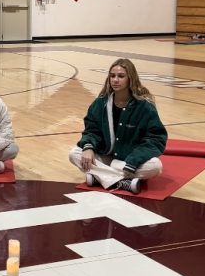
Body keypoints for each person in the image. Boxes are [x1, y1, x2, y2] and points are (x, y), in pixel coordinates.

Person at [69, 58, 166, 193]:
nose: (115, 80)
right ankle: (124, 181)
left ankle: (99, 176)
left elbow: (156, 139)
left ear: (130, 78)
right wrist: (88, 147)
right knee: (74, 153)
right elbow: (92, 129)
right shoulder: (100, 103)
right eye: (112, 76)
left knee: (155, 166)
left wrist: (134, 160)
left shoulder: (144, 107)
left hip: (128, 160)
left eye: (121, 76)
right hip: (105, 155)